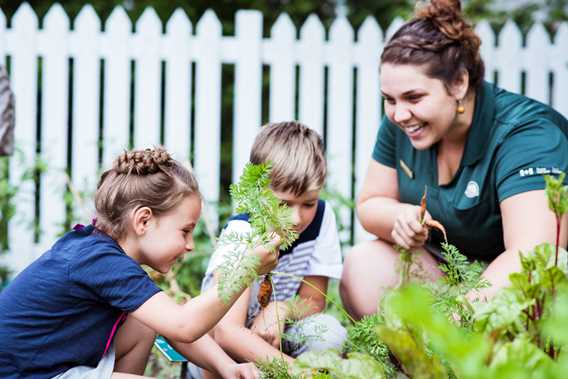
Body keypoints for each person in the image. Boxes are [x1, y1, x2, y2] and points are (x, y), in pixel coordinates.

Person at [340, 0, 568, 321]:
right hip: (451, 283)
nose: (399, 114)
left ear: (459, 83)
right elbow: (370, 203)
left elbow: (533, 253)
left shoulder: (527, 134)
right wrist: (401, 216)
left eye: (414, 97)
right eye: (389, 100)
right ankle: (424, 365)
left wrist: (459, 315)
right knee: (364, 264)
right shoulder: (403, 124)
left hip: (519, 297)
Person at [0, 147, 280, 378]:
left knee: (143, 323)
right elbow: (185, 325)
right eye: (185, 230)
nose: (190, 245)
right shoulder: (98, 260)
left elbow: (173, 327)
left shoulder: (102, 254)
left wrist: (226, 366)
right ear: (143, 220)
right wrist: (247, 268)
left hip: (48, 368)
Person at [200, 122, 346, 369]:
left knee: (330, 333)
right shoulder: (241, 234)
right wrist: (297, 373)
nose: (298, 218)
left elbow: (314, 300)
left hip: (278, 338)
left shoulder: (322, 218)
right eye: (284, 204)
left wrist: (281, 308)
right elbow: (226, 333)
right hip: (223, 356)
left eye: (308, 203)